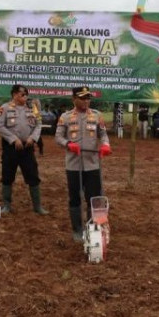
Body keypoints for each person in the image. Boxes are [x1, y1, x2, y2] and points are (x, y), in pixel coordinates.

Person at [55, 86, 112, 241]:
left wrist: (106, 145)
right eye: (83, 98)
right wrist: (68, 144)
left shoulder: (97, 115)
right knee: (74, 197)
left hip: (92, 164)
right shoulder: (65, 117)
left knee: (94, 198)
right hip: (73, 165)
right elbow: (58, 137)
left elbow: (103, 134)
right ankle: (77, 230)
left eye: (88, 98)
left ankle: (93, 227)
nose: (86, 100)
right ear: (74, 99)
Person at [0, 84, 48, 215]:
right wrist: (13, 139)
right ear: (14, 95)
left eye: (26, 94)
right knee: (7, 176)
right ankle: (6, 205)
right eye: (22, 94)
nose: (25, 96)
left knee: (33, 176)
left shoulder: (32, 108)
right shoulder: (5, 108)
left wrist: (33, 138)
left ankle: (37, 206)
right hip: (10, 148)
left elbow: (39, 124)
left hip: (27, 148)